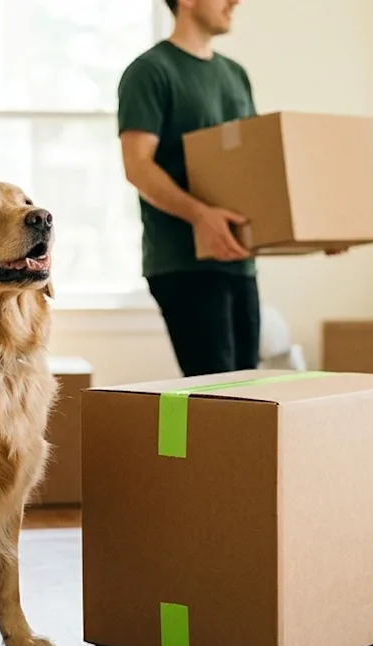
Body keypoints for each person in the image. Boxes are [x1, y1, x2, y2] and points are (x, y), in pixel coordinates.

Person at [116, 0, 261, 378]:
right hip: (183, 263)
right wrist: (200, 215)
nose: (235, 2)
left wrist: (310, 231)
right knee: (218, 399)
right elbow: (137, 165)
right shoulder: (149, 72)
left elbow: (259, 170)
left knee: (251, 392)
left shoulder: (236, 75)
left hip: (238, 260)